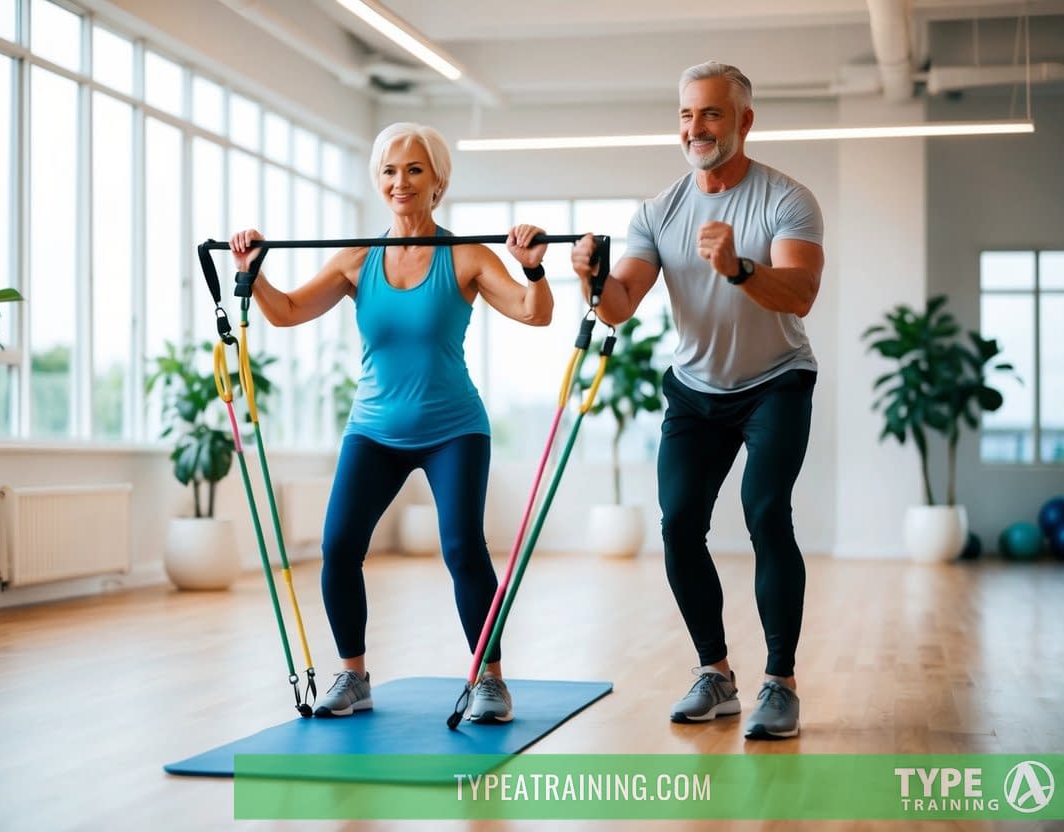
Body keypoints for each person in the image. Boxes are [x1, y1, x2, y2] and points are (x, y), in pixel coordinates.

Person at [230, 122, 554, 723]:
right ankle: (353, 677)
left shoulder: (465, 256)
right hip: (374, 429)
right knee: (338, 547)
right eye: (388, 171)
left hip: (454, 427)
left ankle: (490, 679)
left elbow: (535, 315)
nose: (399, 182)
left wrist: (533, 269)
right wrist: (255, 274)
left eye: (413, 170)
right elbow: (288, 312)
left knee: (461, 548)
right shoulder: (359, 258)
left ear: (437, 182)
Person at [571, 61, 824, 739]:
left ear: (743, 121)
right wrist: (591, 276)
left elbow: (800, 294)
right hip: (695, 390)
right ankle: (714, 673)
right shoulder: (658, 212)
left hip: (775, 379)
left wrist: (740, 267)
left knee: (765, 511)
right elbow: (619, 305)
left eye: (711, 114)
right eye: (686, 114)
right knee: (678, 523)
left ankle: (780, 683)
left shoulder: (785, 200)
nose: (695, 127)